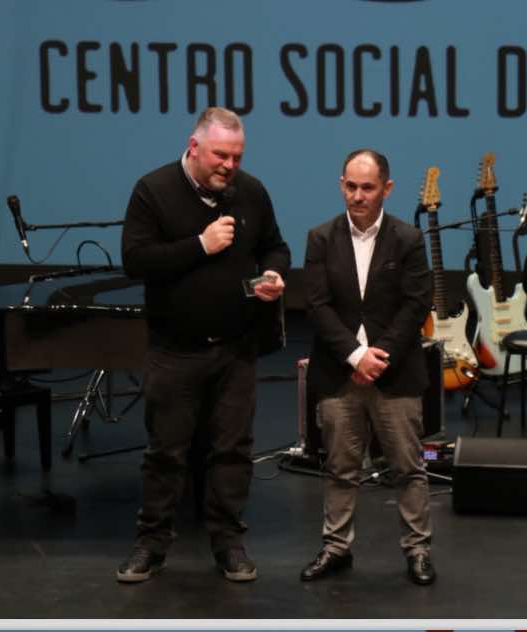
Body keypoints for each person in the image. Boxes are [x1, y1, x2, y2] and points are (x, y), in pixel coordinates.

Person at [117, 107, 290, 583]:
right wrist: (200, 245)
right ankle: (151, 545)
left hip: (236, 349)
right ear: (193, 147)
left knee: (233, 451)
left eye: (237, 157)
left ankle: (229, 544)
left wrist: (273, 273)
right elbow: (135, 260)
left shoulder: (250, 191)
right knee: (166, 453)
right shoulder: (153, 190)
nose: (229, 166)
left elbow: (275, 245)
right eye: (220, 155)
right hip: (175, 350)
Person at [300, 149, 436, 585]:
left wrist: (377, 355)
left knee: (408, 468)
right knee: (340, 468)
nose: (357, 196)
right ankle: (335, 548)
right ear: (341, 184)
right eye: (351, 186)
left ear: (387, 189)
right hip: (339, 372)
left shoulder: (408, 239)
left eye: (367, 188)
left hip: (394, 372)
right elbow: (317, 305)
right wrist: (355, 355)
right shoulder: (321, 238)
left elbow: (416, 304)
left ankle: (418, 549)